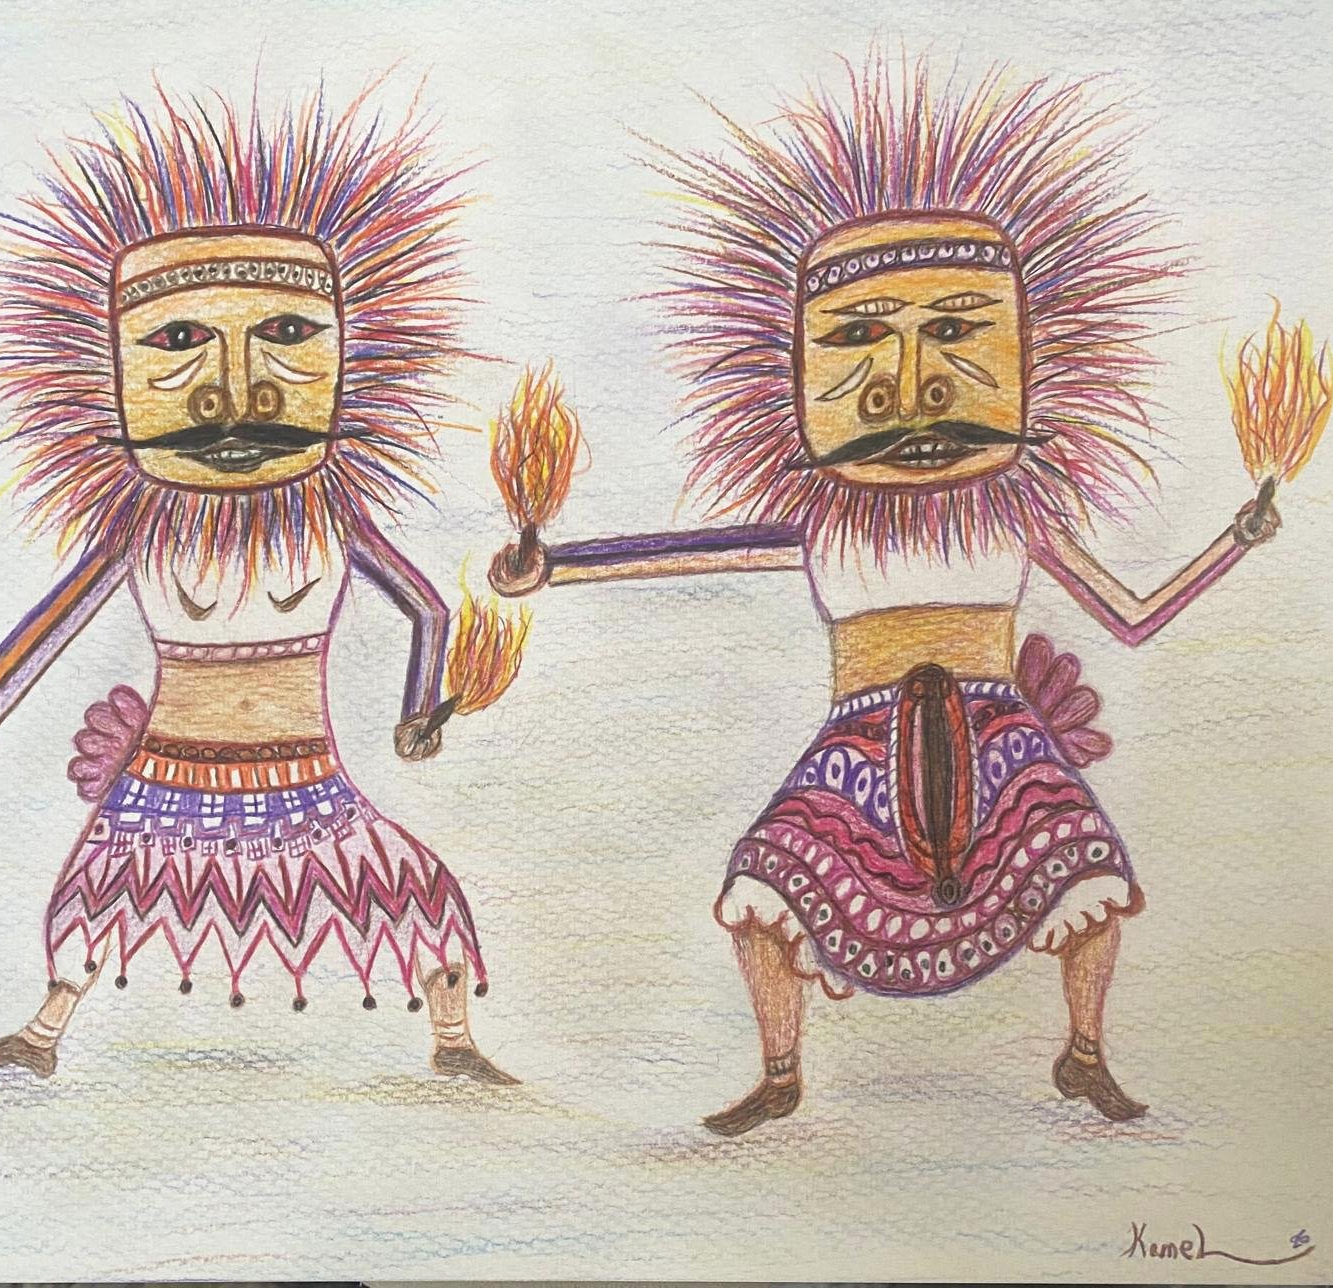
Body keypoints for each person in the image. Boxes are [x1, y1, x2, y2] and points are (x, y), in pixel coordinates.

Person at [491, 60, 1280, 1134]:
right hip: (855, 748)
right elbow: (678, 553)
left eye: (957, 330)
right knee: (763, 887)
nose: (910, 386)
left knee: (1088, 871)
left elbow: (1133, 616)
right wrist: (553, 565)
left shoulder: (1016, 517)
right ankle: (780, 1072)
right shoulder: (827, 524)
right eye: (857, 336)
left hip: (1003, 740)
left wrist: (1237, 537)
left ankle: (1084, 1052)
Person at [0, 86, 516, 1086]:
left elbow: (430, 609)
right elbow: (40, 639)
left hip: (305, 778)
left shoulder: (329, 522)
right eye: (177, 342)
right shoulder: (140, 534)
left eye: (290, 334)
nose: (237, 389)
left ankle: (453, 1040)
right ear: (105, 376)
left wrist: (420, 711)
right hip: (166, 775)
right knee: (94, 898)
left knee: (412, 889)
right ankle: (42, 1035)